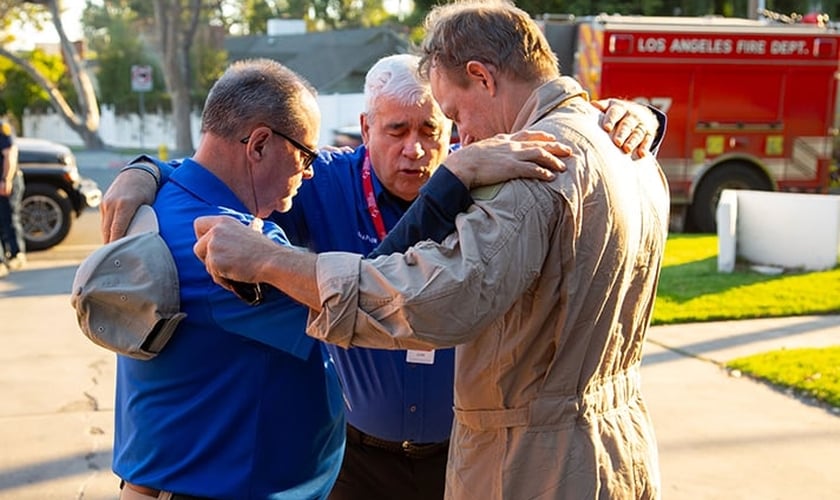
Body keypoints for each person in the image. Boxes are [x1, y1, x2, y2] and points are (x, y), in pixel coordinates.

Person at [101, 54, 661, 499]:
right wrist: (149, 167)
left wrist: (641, 118)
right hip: (343, 466)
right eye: (396, 130)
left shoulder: (505, 170)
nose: (415, 149)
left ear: (455, 131)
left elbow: (215, 166)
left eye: (433, 131)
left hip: (458, 454)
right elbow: (375, 292)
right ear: (366, 129)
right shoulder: (235, 236)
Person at [74, 58, 352, 500]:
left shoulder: (164, 203)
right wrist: (450, 185)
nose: (310, 171)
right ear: (258, 144)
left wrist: (151, 167)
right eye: (306, 154)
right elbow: (369, 301)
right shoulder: (225, 244)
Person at [0, 117, 25, 276]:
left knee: (9, 218)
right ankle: (4, 259)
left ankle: (17, 255)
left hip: (6, 182)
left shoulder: (2, 128)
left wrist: (6, 179)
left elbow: (10, 154)